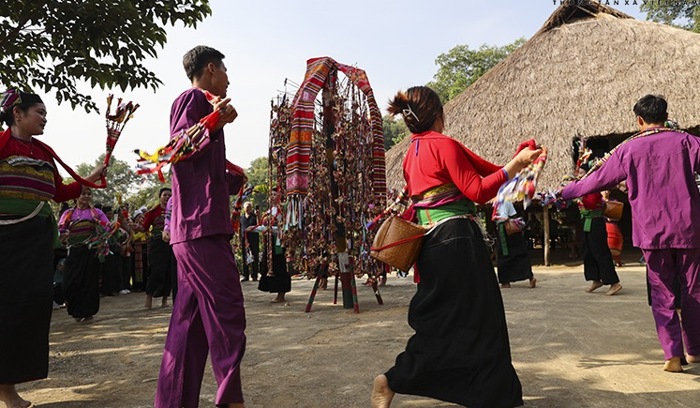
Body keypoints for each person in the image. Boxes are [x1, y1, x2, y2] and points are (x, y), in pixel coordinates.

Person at [370, 86, 541, 408]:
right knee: (478, 321)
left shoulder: (412, 153)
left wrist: (520, 161)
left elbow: (491, 171)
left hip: (435, 244)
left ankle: (493, 395)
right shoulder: (444, 144)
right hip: (456, 238)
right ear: (439, 114)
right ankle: (395, 377)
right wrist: (516, 166)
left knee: (454, 319)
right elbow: (478, 190)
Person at [561, 94, 700, 372]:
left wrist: (564, 192)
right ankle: (695, 350)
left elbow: (597, 180)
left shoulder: (629, 150)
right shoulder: (687, 141)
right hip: (689, 227)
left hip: (652, 231)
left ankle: (672, 354)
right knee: (693, 289)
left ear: (639, 120)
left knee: (662, 292)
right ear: (665, 115)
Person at [154, 45, 246, 408]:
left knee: (188, 326)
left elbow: (195, 168)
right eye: (225, 71)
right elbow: (174, 150)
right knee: (227, 314)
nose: (228, 79)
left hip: (195, 227)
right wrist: (215, 121)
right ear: (211, 69)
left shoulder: (203, 109)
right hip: (200, 228)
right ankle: (231, 400)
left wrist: (231, 178)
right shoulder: (193, 98)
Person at [0, 90, 104, 408]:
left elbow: (59, 193)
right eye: (39, 112)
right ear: (18, 113)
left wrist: (89, 179)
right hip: (4, 240)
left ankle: (7, 389)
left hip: (35, 242)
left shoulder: (45, 154)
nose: (45, 118)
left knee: (27, 309)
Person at [58, 187, 112, 323]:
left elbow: (108, 227)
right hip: (74, 252)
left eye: (89, 194)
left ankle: (88, 313)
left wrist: (101, 239)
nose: (86, 196)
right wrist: (64, 235)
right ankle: (75, 311)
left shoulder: (96, 213)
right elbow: (60, 229)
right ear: (76, 196)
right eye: (83, 194)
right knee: (70, 282)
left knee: (89, 282)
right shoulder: (68, 214)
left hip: (91, 251)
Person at [576, 189, 622, 295]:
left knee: (600, 252)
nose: (579, 174)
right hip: (586, 223)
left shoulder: (593, 190)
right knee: (587, 252)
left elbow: (591, 204)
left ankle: (614, 283)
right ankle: (595, 279)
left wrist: (581, 197)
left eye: (581, 172)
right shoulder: (582, 190)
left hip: (595, 223)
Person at [140, 187, 175, 308]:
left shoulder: (176, 209)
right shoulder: (153, 212)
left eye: (169, 195)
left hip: (171, 244)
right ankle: (148, 298)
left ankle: (165, 300)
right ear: (160, 197)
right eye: (164, 195)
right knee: (155, 270)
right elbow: (143, 228)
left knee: (169, 271)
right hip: (157, 245)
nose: (167, 197)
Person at [256, 188, 291, 303]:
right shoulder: (270, 210)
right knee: (267, 264)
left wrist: (271, 230)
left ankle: (281, 293)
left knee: (279, 265)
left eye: (275, 194)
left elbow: (282, 227)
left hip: (277, 242)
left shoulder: (282, 210)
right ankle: (273, 288)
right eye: (271, 195)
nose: (272, 197)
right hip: (269, 241)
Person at [494, 201, 536, 289]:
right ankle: (530, 277)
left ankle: (505, 282)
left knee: (504, 256)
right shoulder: (505, 200)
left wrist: (495, 218)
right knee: (520, 253)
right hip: (514, 230)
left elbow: (505, 217)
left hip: (506, 230)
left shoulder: (503, 201)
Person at [239, 201, 259, 282]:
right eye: (247, 207)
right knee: (245, 257)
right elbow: (239, 229)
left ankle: (255, 275)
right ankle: (246, 275)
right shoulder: (241, 218)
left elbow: (259, 224)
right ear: (244, 208)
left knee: (255, 256)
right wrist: (240, 240)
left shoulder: (254, 216)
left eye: (250, 207)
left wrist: (258, 215)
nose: (248, 209)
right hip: (244, 240)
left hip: (254, 239)